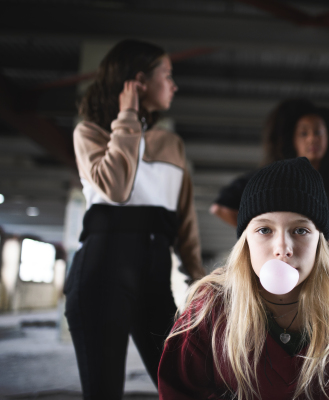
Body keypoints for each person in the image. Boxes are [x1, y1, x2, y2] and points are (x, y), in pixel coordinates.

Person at [158, 157, 329, 400]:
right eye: (264, 230)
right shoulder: (211, 309)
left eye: (301, 230)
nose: (283, 247)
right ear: (245, 239)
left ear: (320, 241)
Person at [65, 39, 204, 399]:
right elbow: (116, 188)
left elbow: (184, 222)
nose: (174, 85)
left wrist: (200, 280)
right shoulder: (90, 133)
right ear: (139, 81)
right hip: (101, 271)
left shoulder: (172, 145)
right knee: (104, 391)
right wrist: (127, 118)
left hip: (156, 276)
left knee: (186, 387)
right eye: (167, 75)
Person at [210, 99, 329, 243]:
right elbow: (220, 208)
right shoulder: (271, 179)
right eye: (304, 133)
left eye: (318, 132)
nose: (312, 139)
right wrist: (262, 231)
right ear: (292, 140)